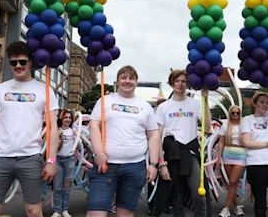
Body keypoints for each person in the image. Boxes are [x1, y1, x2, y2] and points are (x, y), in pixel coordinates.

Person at [0, 41, 59, 217]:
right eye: (13, 62)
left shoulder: (45, 90)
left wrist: (51, 161)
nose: (18, 66)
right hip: (0, 158)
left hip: (31, 158)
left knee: (33, 211)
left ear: (30, 62)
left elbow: (53, 129)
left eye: (22, 61)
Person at [87, 65, 159, 217]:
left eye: (131, 78)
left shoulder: (145, 106)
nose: (127, 81)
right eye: (124, 77)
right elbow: (94, 126)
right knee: (96, 214)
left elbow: (154, 135)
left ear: (136, 82)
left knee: (125, 214)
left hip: (135, 167)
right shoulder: (104, 101)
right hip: (105, 166)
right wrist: (98, 153)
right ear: (117, 81)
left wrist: (153, 164)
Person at [154, 69, 211, 217]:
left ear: (188, 84)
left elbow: (207, 127)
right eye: (177, 81)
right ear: (172, 83)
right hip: (172, 154)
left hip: (190, 153)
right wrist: (161, 164)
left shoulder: (195, 104)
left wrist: (206, 101)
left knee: (199, 193)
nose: (180, 84)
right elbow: (158, 137)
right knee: (176, 196)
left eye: (183, 81)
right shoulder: (163, 107)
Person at [217, 105, 245, 217]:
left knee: (233, 181)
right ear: (230, 113)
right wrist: (218, 158)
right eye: (233, 113)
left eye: (237, 113)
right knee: (231, 183)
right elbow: (221, 142)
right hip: (227, 154)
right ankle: (237, 206)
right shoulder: (225, 124)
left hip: (241, 154)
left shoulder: (244, 124)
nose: (235, 115)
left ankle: (226, 208)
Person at [51, 109, 76, 217]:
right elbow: (50, 147)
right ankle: (57, 210)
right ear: (61, 118)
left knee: (67, 187)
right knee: (57, 187)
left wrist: (76, 138)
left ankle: (65, 210)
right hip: (58, 160)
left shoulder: (73, 131)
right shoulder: (56, 130)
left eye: (69, 118)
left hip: (69, 160)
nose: (68, 119)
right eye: (66, 117)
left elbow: (78, 148)